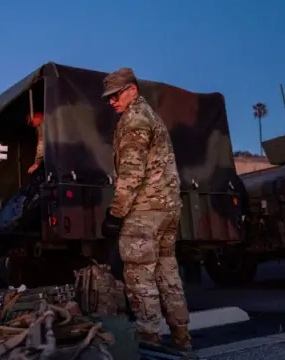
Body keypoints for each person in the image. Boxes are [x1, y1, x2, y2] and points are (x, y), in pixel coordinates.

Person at [100, 67, 192, 351]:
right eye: (108, 98)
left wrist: (115, 214)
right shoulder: (151, 115)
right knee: (168, 273)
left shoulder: (134, 120)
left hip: (145, 211)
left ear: (132, 90)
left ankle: (150, 340)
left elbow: (130, 174)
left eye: (115, 95)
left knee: (140, 275)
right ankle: (181, 338)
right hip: (167, 208)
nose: (111, 102)